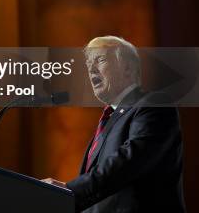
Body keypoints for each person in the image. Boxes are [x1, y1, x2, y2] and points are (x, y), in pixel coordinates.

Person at [43, 36, 185, 212]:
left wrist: (69, 190)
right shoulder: (110, 119)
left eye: (100, 60)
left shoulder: (153, 104)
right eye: (88, 64)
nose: (91, 69)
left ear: (127, 68)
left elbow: (129, 161)